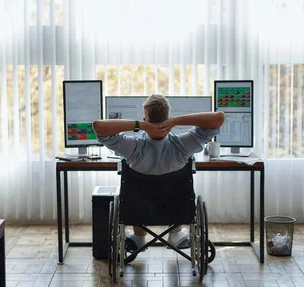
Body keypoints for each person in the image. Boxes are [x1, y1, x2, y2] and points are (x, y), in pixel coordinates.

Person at [93, 94, 225, 250]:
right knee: (174, 196)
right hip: (176, 211)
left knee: (139, 197)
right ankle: (175, 235)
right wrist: (174, 122)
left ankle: (139, 238)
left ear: (145, 119)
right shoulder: (183, 146)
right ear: (169, 116)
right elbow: (218, 118)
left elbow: (98, 126)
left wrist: (141, 125)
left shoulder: (132, 148)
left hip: (137, 211)